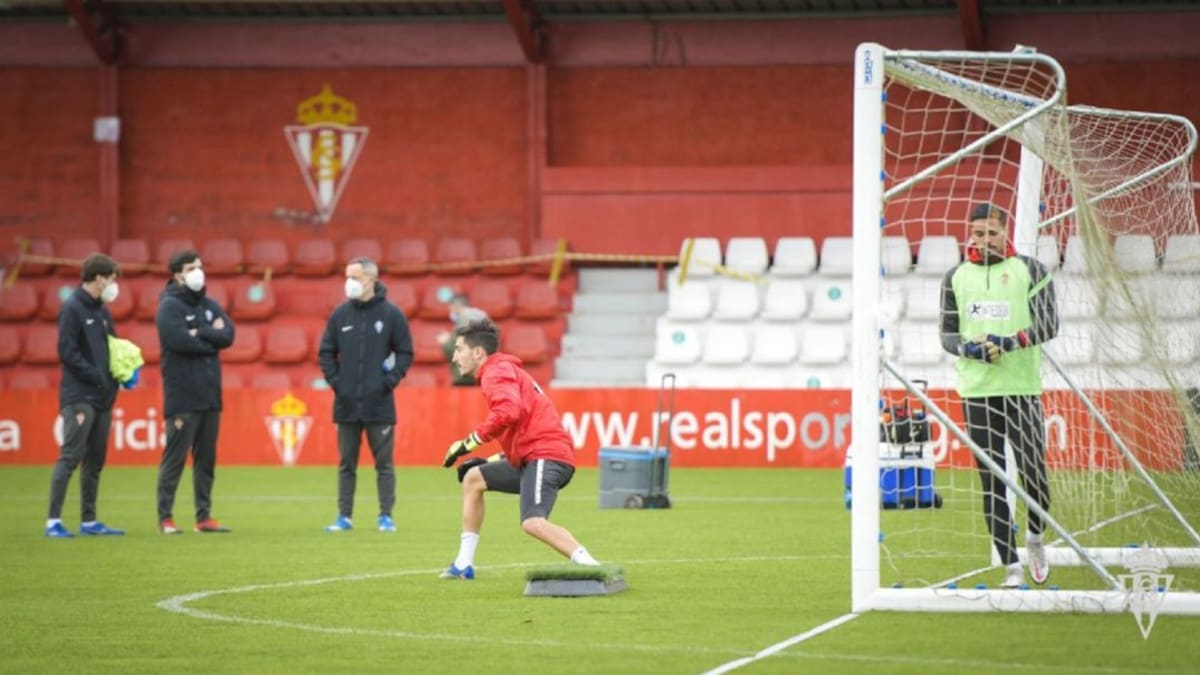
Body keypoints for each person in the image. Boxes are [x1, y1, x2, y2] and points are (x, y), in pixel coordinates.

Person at [939, 203, 1059, 588]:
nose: (983, 239)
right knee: (991, 482)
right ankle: (1011, 568)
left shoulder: (1030, 269)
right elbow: (947, 335)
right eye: (977, 233)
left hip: (1022, 389)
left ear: (1004, 232)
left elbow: (1049, 323)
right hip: (976, 392)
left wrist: (1008, 342)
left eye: (991, 232)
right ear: (969, 233)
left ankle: (1036, 539)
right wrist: (970, 350)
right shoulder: (954, 276)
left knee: (1034, 476)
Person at [439, 318, 599, 579]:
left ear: (478, 352)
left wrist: (468, 443)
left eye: (459, 349)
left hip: (546, 457)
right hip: (535, 456)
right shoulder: (502, 370)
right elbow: (523, 429)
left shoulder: (495, 372)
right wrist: (491, 459)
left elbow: (508, 412)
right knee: (473, 479)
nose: (455, 357)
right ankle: (462, 565)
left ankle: (592, 566)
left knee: (532, 523)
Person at [318, 257, 414, 533]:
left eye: (355, 277)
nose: (349, 283)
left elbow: (405, 352)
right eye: (347, 277)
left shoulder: (392, 315)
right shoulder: (339, 315)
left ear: (371, 279)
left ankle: (386, 516)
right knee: (346, 464)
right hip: (346, 404)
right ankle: (344, 517)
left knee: (383, 464)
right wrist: (338, 383)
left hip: (380, 403)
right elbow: (326, 352)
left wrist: (388, 382)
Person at [44, 253, 128, 538]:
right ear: (99, 278)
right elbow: (67, 352)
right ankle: (53, 521)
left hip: (103, 396)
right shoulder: (73, 309)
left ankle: (89, 521)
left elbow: (114, 347)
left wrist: (124, 371)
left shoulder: (102, 311)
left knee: (95, 460)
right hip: (79, 394)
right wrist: (96, 375)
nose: (114, 285)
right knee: (70, 456)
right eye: (112, 278)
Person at [155, 249, 235, 534]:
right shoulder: (169, 307)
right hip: (183, 396)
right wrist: (209, 336)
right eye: (192, 268)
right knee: (175, 459)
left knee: (206, 460)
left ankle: (204, 517)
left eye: (200, 266)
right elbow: (179, 342)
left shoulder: (209, 304)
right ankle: (165, 517)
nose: (198, 272)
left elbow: (228, 335)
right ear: (178, 274)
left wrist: (198, 331)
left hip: (210, 396)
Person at [437, 293, 487, 386]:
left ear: (456, 307)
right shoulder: (479, 320)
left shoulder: (463, 322)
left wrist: (445, 342)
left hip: (465, 378)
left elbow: (454, 351)